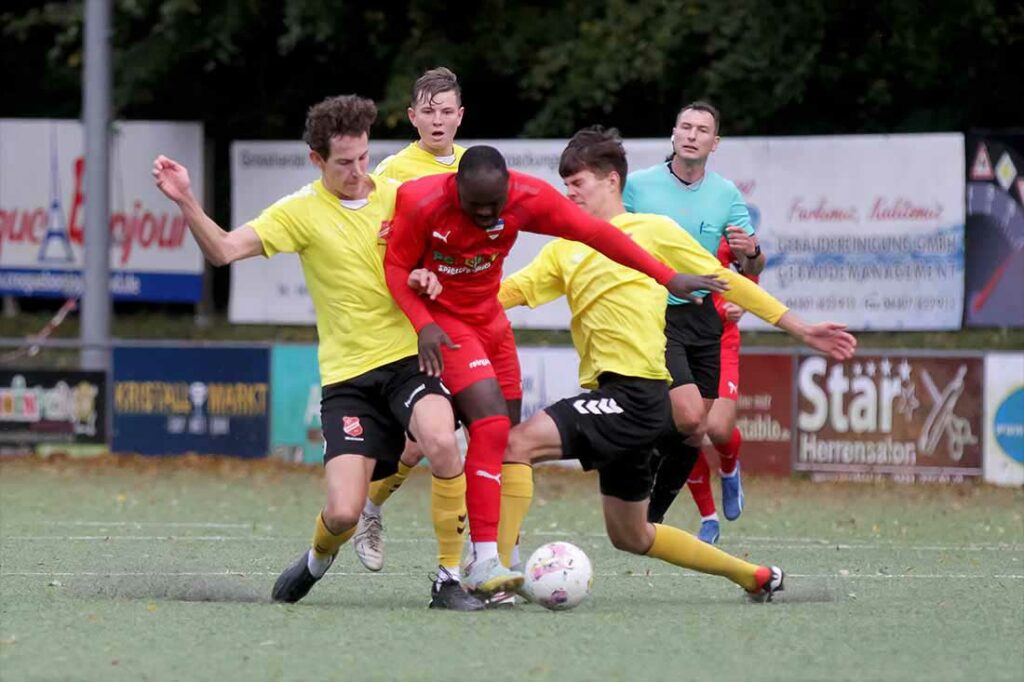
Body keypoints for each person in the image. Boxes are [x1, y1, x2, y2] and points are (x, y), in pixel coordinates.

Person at [494, 126, 856, 600]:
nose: (568, 195)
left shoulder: (654, 232)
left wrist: (800, 327)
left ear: (610, 182)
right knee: (632, 535)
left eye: (576, 184)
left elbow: (730, 282)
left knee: (515, 445)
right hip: (618, 399)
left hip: (636, 394)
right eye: (564, 186)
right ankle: (756, 577)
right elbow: (508, 294)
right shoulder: (564, 248)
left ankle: (498, 574)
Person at [151, 94, 484, 611]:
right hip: (348, 381)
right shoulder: (300, 211)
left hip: (408, 361)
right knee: (344, 514)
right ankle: (316, 559)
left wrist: (427, 276)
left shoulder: (399, 197)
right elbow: (222, 250)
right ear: (317, 160)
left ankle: (448, 580)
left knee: (443, 441)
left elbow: (437, 261)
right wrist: (186, 199)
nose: (358, 172)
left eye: (363, 158)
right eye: (344, 163)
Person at [383, 145, 727, 597]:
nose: (486, 215)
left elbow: (600, 235)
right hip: (447, 324)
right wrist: (424, 323)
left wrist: (666, 276)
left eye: (495, 205)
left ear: (509, 187)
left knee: (503, 441)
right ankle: (481, 559)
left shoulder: (530, 198)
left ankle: (500, 559)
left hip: (491, 324)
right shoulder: (419, 199)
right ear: (456, 188)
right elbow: (394, 266)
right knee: (488, 425)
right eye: (475, 205)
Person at [622, 101, 763, 527]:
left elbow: (752, 266)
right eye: (685, 127)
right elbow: (611, 239)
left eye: (702, 130)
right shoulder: (638, 188)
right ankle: (659, 507)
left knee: (702, 427)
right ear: (673, 134)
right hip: (654, 314)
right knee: (687, 418)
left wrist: (751, 254)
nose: (692, 134)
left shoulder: (726, 195)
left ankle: (668, 502)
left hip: (705, 317)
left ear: (714, 143)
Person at [353, 66, 469, 575]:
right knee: (428, 441)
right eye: (429, 111)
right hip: (421, 323)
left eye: (447, 111)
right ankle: (373, 511)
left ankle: (483, 550)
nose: (438, 120)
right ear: (413, 117)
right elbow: (387, 250)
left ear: (460, 116)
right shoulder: (394, 173)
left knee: (448, 439)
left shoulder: (476, 166)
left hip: (469, 317)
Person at [684, 236, 758, 544]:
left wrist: (741, 300)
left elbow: (751, 267)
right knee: (687, 431)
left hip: (719, 340)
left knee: (717, 427)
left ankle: (729, 467)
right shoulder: (657, 221)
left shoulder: (723, 225)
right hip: (676, 340)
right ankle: (708, 519)